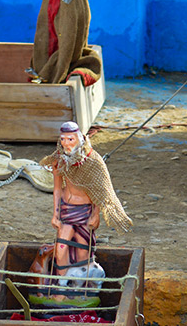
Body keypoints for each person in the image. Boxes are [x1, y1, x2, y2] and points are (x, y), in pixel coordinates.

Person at [40, 121, 131, 285]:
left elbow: (99, 190)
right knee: (61, 252)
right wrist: (55, 214)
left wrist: (96, 215)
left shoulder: (93, 161)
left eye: (70, 139)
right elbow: (57, 189)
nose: (66, 144)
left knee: (83, 256)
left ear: (79, 138)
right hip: (66, 212)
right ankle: (60, 289)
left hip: (85, 212)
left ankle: (82, 291)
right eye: (63, 139)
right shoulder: (59, 160)